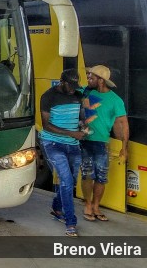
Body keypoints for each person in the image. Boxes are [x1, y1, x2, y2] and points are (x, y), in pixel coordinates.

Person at [39, 68, 85, 237]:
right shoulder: (48, 96)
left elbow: (80, 118)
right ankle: (70, 222)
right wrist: (72, 133)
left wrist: (83, 126)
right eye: (70, 85)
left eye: (75, 85)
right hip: (52, 143)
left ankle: (57, 208)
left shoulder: (77, 95)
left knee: (70, 181)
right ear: (62, 82)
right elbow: (46, 125)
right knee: (65, 180)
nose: (73, 89)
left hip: (73, 145)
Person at [80, 64, 129, 222]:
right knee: (87, 174)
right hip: (85, 142)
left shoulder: (115, 100)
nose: (88, 79)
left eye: (91, 77)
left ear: (101, 80)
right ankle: (88, 204)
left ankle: (96, 206)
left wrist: (124, 148)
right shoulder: (85, 92)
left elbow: (123, 123)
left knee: (101, 177)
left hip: (101, 143)